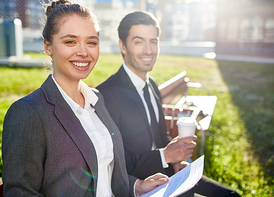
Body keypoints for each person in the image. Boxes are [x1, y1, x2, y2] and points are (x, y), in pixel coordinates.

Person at [1, 2, 169, 196]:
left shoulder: (96, 99)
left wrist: (136, 186)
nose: (83, 52)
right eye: (70, 42)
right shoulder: (28, 113)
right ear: (48, 46)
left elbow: (106, 172)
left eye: (91, 42)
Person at [97, 11, 241, 197]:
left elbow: (160, 136)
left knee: (232, 195)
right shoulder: (107, 96)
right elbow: (115, 165)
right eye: (139, 42)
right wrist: (165, 156)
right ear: (122, 46)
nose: (149, 50)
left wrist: (176, 161)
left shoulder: (152, 84)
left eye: (154, 41)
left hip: (169, 175)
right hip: (141, 187)